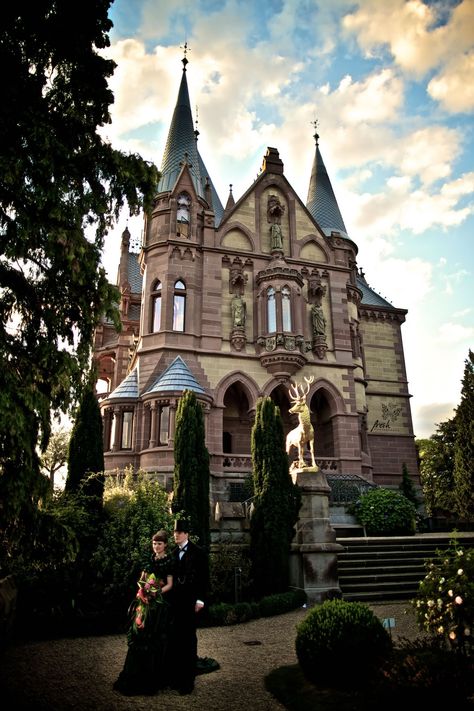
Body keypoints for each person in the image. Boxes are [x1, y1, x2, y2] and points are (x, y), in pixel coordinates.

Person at [113, 530, 173, 696]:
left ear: (165, 544)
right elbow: (141, 580)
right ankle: (135, 673)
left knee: (155, 637)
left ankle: (153, 677)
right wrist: (143, 591)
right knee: (139, 633)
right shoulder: (149, 559)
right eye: (154, 543)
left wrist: (156, 592)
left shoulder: (169, 561)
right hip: (145, 602)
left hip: (159, 605)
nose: (156, 546)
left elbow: (169, 584)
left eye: (159, 543)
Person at [167, 519, 209, 695]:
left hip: (191, 603)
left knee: (189, 640)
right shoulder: (173, 552)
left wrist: (201, 600)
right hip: (175, 603)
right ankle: (177, 678)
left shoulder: (198, 553)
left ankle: (188, 681)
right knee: (176, 639)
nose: (176, 534)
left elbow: (204, 578)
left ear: (187, 534)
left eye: (180, 532)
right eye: (175, 532)